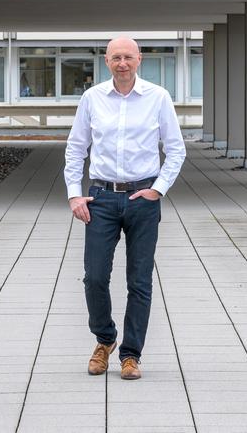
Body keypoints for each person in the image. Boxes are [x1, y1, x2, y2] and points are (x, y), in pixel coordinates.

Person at [64, 37, 186, 380]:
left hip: (142, 198)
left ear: (139, 59)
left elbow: (175, 150)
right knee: (95, 277)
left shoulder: (158, 98)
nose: (122, 63)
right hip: (101, 199)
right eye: (116, 57)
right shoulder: (92, 98)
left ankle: (131, 355)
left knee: (140, 281)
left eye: (128, 57)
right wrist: (75, 195)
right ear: (106, 61)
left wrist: (158, 190)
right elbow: (76, 149)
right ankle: (105, 339)